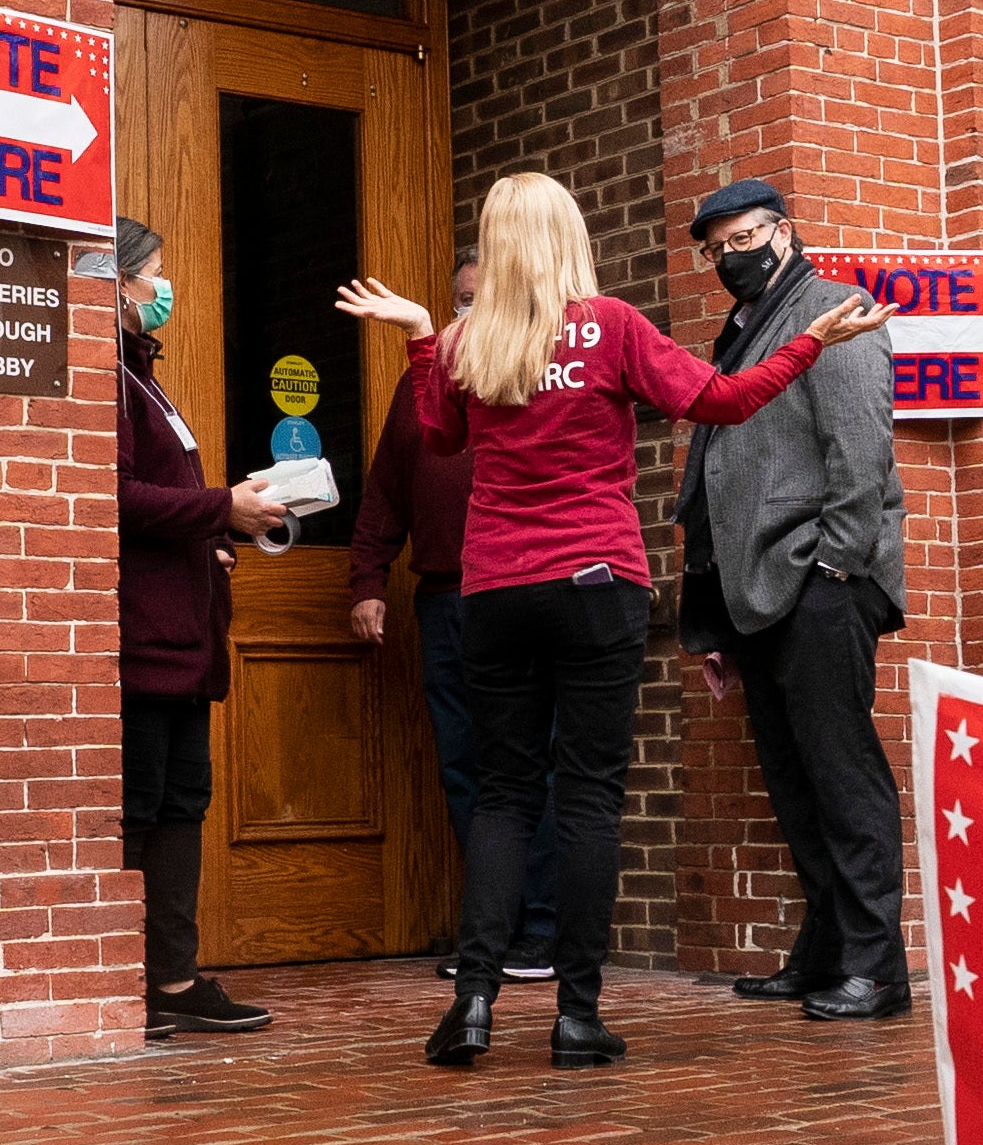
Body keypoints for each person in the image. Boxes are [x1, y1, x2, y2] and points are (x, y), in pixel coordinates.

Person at [338, 178, 879, 1070]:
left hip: (495, 588)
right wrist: (811, 341)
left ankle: (473, 1001)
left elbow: (437, 440)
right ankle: (576, 1014)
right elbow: (724, 402)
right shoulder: (611, 327)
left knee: (506, 793)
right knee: (586, 795)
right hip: (595, 580)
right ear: (569, 236)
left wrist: (419, 338)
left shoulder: (474, 338)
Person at [677, 179, 913, 1020]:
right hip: (757, 593)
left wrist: (839, 566)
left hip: (819, 583)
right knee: (792, 779)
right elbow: (716, 473)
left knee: (840, 772)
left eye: (741, 238)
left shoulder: (834, 308)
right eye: (713, 249)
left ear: (784, 232)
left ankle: (877, 970)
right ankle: (823, 955)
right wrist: (715, 613)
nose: (726, 257)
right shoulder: (743, 330)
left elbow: (860, 447)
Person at [352, 258, 556, 981]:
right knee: (463, 765)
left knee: (532, 763)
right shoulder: (423, 382)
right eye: (461, 301)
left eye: (483, 300)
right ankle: (492, 930)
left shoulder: (540, 371)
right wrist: (367, 580)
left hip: (519, 593)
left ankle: (542, 929)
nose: (470, 313)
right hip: (441, 601)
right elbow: (387, 487)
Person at [113, 219, 277, 1043]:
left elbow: (163, 502)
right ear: (116, 282)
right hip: (142, 638)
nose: (163, 290)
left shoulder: (147, 376)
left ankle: (174, 978)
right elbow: (114, 495)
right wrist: (222, 507)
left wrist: (218, 533)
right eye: (155, 276)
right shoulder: (103, 376)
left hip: (186, 634)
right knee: (138, 810)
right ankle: (125, 983)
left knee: (183, 806)